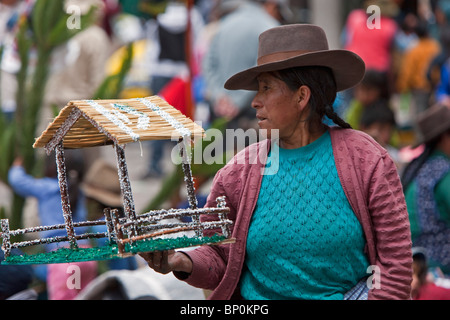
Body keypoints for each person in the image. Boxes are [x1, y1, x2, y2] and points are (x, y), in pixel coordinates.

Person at [139, 24, 413, 300]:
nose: (255, 101)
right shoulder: (239, 172)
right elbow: (218, 254)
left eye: (266, 88)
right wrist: (180, 260)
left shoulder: (366, 161)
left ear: (302, 96)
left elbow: (395, 266)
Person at [402, 103, 450, 276]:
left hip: (414, 264)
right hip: (439, 269)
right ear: (445, 137)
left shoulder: (419, 168)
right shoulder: (443, 172)